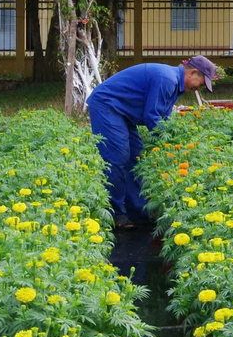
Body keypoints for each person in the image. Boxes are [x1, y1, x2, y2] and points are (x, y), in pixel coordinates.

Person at [86, 55, 218, 229]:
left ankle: (138, 212)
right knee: (117, 157)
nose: (197, 89)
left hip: (123, 111)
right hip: (107, 104)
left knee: (137, 157)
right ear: (193, 73)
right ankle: (115, 214)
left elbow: (163, 118)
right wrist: (170, 146)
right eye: (200, 84)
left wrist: (173, 141)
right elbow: (152, 117)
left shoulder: (175, 84)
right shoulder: (167, 79)